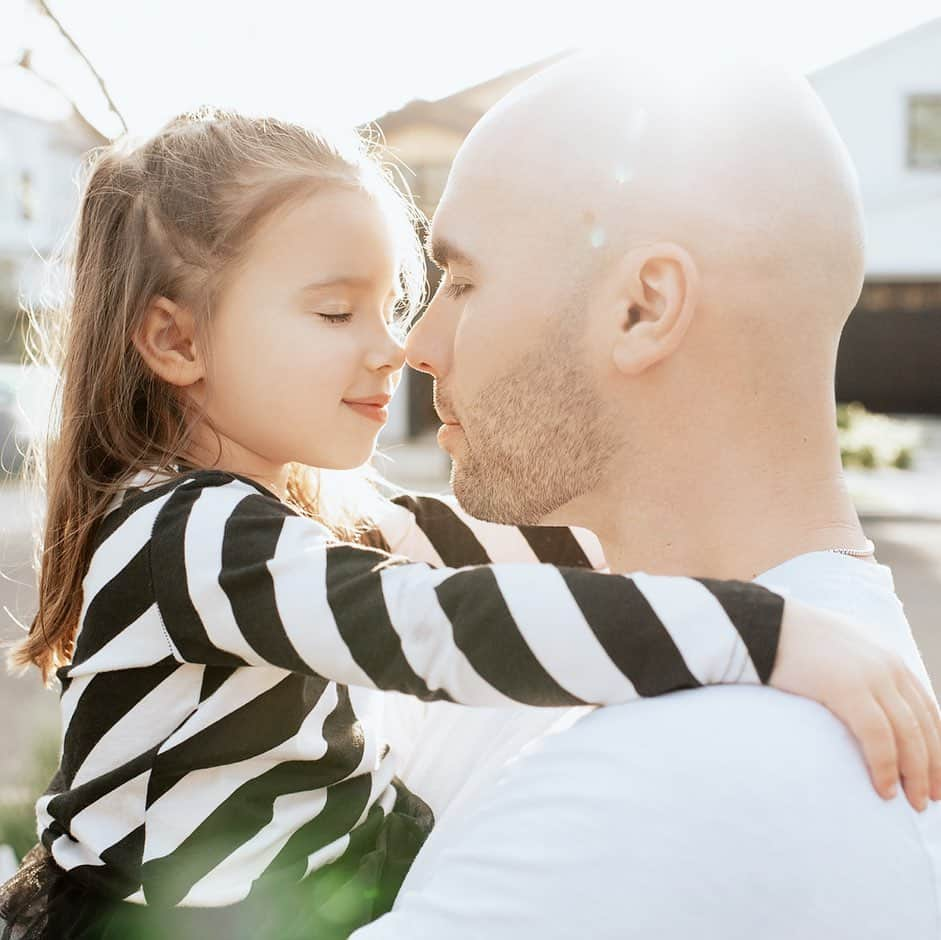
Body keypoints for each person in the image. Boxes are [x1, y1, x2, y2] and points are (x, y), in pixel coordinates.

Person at [1, 108, 928, 940]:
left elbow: (568, 554)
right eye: (334, 311)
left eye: (392, 303)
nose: (396, 345)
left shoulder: (291, 516)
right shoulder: (186, 538)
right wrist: (764, 633)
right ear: (177, 341)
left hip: (293, 888)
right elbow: (440, 624)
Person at [348, 53, 941, 939]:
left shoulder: (672, 786)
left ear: (642, 309)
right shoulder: (656, 682)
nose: (417, 345)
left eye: (463, 281)